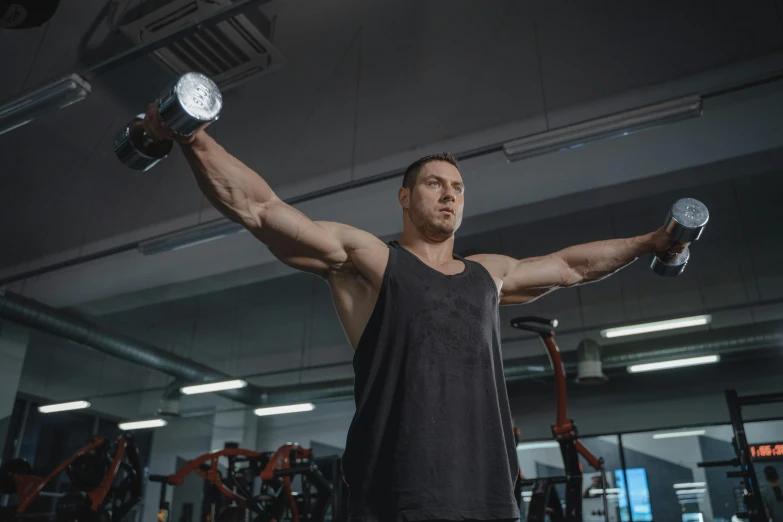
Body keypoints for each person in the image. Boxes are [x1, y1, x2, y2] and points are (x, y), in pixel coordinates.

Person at [142, 106, 684, 522]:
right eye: (434, 184)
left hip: (491, 499)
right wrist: (190, 134)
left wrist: (652, 241)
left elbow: (570, 267)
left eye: (458, 189)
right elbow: (262, 210)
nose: (450, 196)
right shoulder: (370, 261)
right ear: (404, 197)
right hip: (396, 499)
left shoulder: (488, 274)